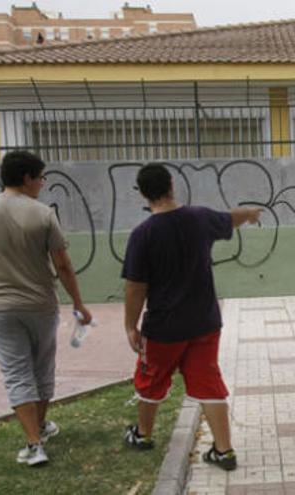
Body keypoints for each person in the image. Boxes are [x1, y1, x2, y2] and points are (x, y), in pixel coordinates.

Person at [121, 164, 261, 471]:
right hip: (204, 322)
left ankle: (143, 435)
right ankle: (223, 451)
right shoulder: (200, 218)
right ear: (172, 184)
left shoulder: (142, 234)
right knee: (208, 381)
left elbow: (135, 286)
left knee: (151, 380)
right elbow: (231, 218)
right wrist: (250, 213)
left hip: (163, 328)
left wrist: (131, 325)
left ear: (143, 194)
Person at [0, 150, 93, 467]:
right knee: (42, 368)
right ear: (27, 178)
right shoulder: (43, 214)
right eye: (40, 177)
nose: (42, 183)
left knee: (16, 372)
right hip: (41, 305)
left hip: (1, 307)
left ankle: (34, 441)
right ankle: (39, 432)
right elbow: (62, 264)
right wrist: (78, 303)